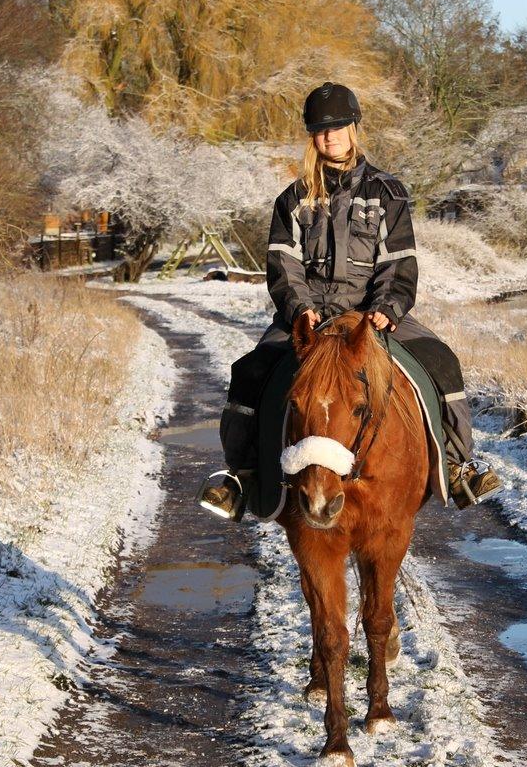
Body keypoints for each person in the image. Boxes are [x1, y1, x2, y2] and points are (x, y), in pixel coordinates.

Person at [200, 81, 500, 521]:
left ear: (353, 127)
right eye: (321, 129)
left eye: (338, 126)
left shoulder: (387, 193)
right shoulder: (293, 199)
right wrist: (299, 308)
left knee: (441, 360)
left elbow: (399, 263)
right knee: (250, 371)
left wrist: (387, 307)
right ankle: (240, 477)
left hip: (371, 315)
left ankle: (457, 466)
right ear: (312, 136)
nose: (330, 136)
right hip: (308, 315)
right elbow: (282, 266)